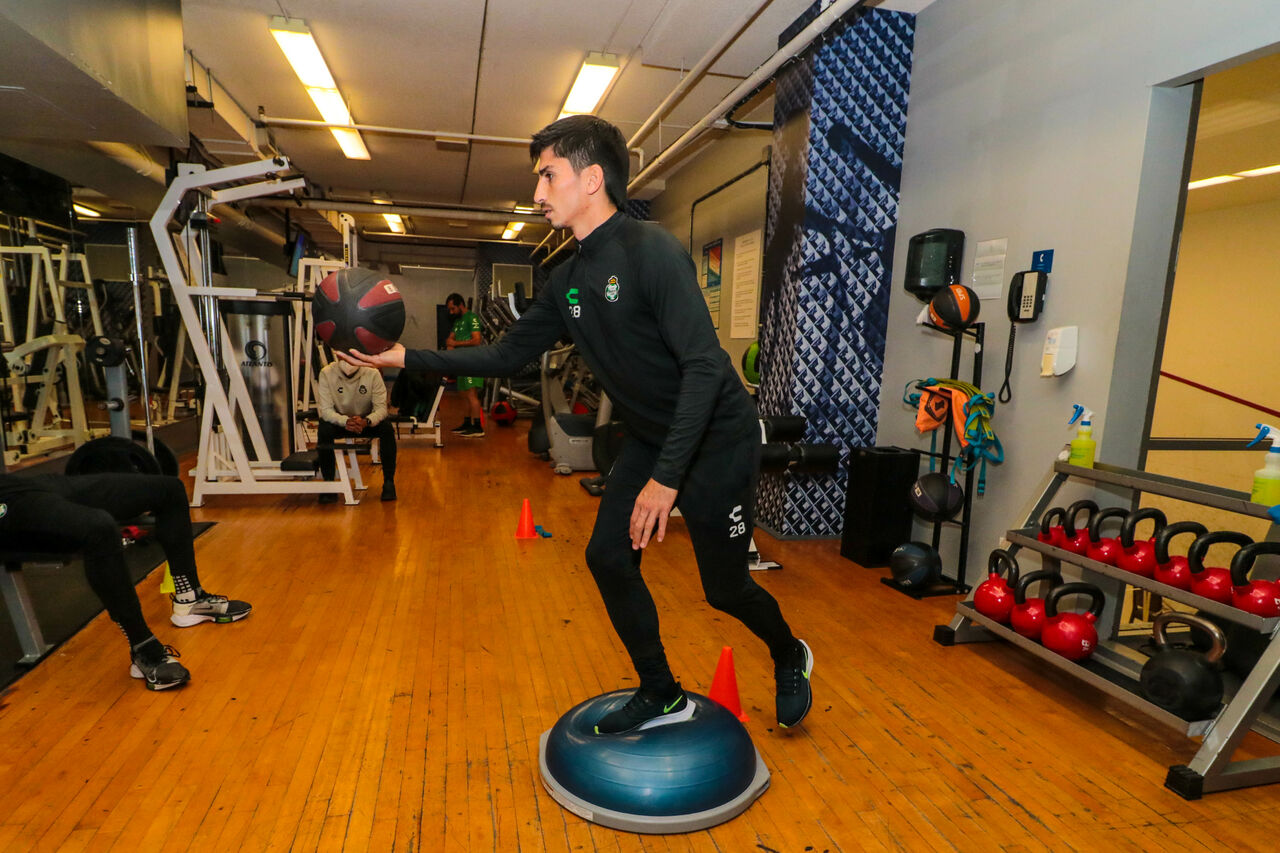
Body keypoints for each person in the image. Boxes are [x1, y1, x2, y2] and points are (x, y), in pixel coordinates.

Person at [342, 115, 814, 733]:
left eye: (548, 175)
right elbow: (507, 355)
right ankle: (661, 691)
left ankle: (789, 653)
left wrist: (667, 479)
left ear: (591, 179)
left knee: (724, 589)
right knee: (607, 557)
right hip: (651, 436)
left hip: (715, 438)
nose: (537, 192)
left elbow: (703, 366)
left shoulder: (653, 253)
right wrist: (406, 358)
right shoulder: (566, 278)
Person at [0, 472, 251, 690]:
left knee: (169, 489)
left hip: (26, 485)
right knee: (99, 527)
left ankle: (190, 598)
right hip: (7, 504)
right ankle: (143, 646)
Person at [314, 359, 397, 502]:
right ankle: (329, 484)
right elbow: (326, 411)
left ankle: (389, 483)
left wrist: (367, 421)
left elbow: (381, 409)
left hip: (364, 421)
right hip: (341, 422)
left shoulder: (372, 373)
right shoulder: (326, 373)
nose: (348, 363)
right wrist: (345, 421)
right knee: (324, 428)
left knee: (387, 428)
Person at [444, 293, 486, 437]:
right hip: (461, 362)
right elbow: (450, 339)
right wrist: (450, 344)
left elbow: (477, 340)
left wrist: (455, 343)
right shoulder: (457, 321)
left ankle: (478, 427)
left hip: (471, 361)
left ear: (460, 305)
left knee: (471, 394)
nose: (451, 312)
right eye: (450, 310)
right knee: (463, 394)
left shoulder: (472, 318)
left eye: (453, 309)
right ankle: (467, 423)